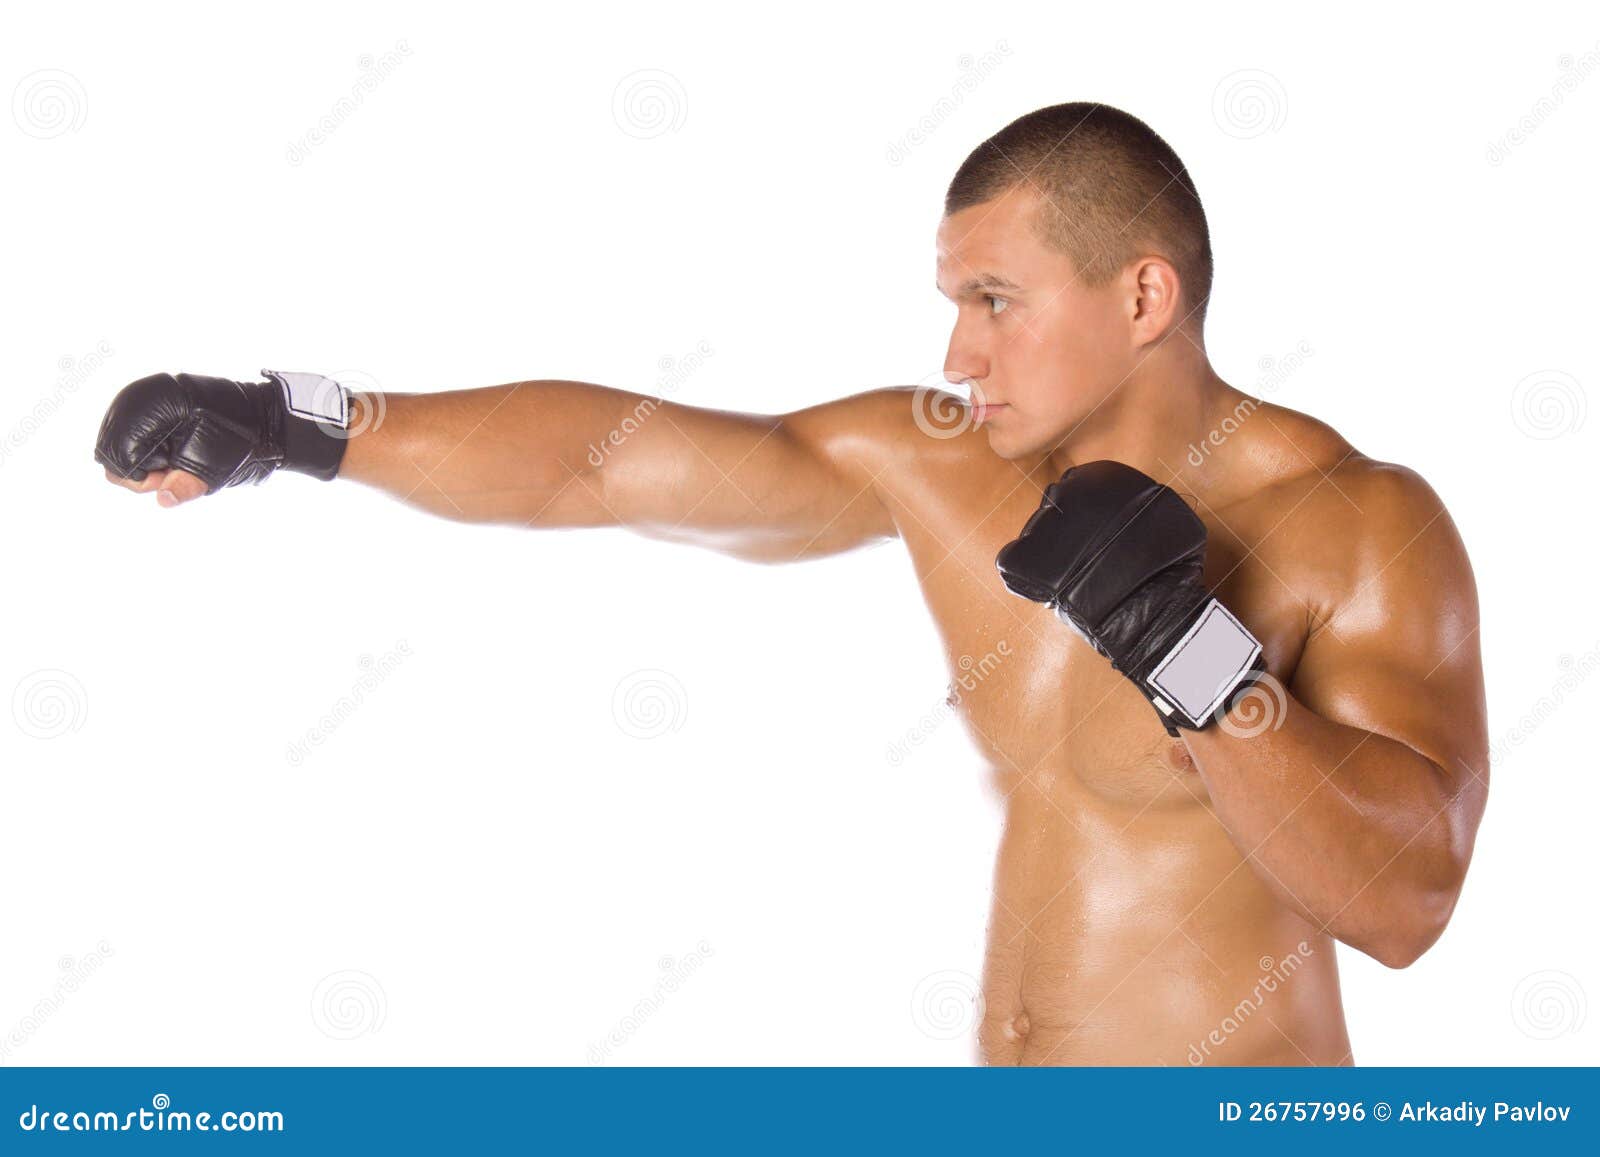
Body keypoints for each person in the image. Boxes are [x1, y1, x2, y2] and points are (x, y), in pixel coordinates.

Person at [94, 102, 1488, 1066]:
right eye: (954, 304)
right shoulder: (939, 463)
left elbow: (1408, 903)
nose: (958, 354)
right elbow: (600, 467)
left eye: (996, 302)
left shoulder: (1354, 521)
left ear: (1142, 297)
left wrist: (1188, 650)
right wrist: (296, 426)